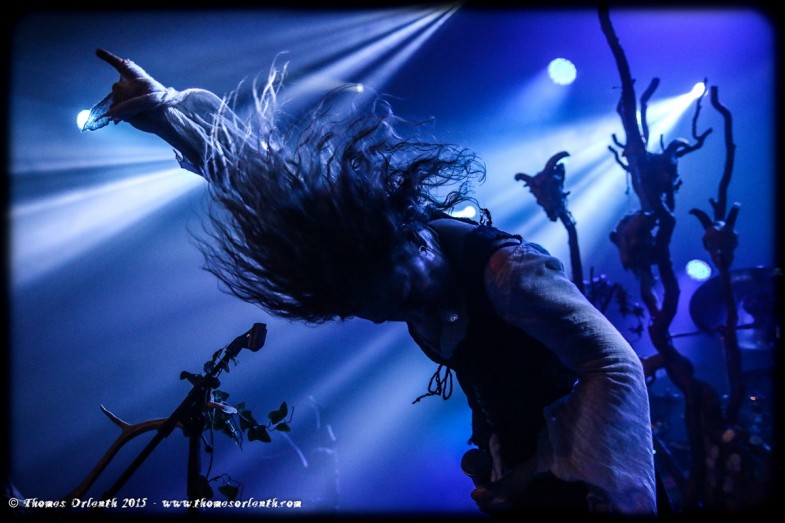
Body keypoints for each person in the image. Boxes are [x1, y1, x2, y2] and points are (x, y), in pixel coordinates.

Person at [82, 48, 658, 516]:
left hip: (587, 489)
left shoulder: (508, 274)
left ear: (412, 241)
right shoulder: (383, 266)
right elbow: (277, 191)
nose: (397, 314)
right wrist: (164, 116)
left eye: (401, 298)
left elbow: (614, 368)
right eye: (376, 311)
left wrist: (539, 470)